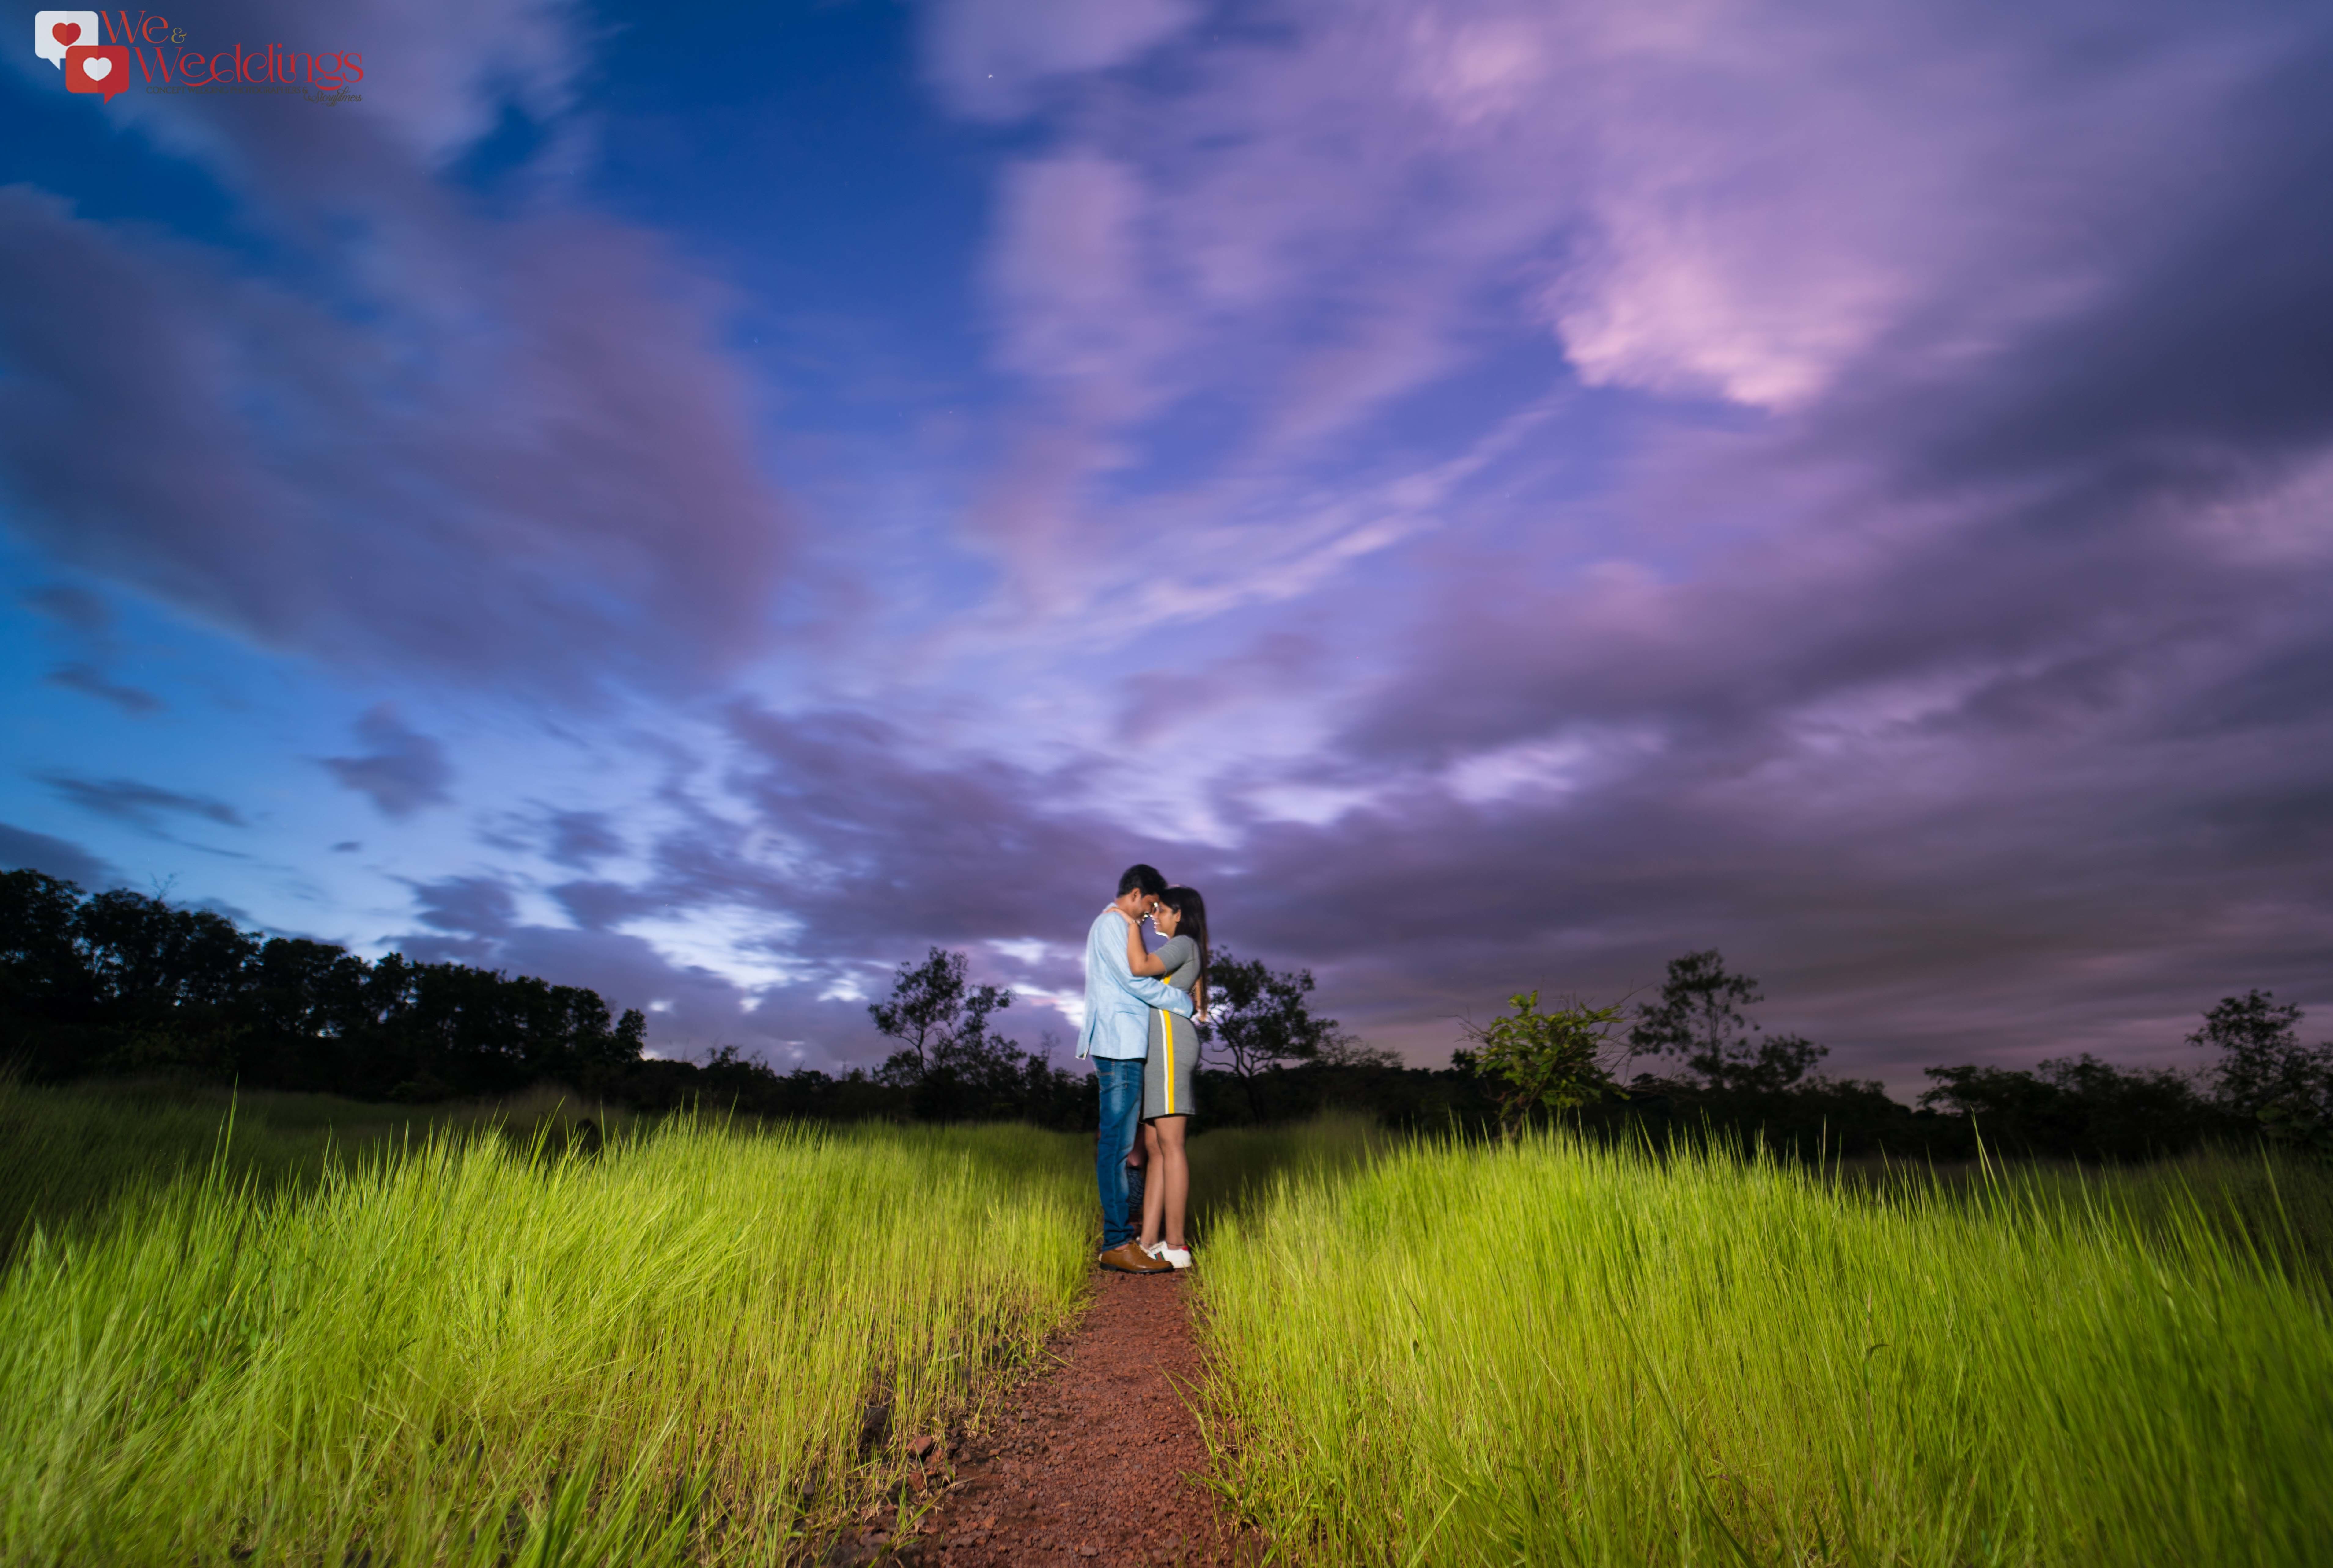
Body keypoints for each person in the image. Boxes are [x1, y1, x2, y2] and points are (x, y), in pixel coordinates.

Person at [1080, 864, 1195, 1273]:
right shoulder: (1114, 924)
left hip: (1125, 1046)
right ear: (1135, 894)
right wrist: (1183, 1002)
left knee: (1122, 1145)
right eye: (1150, 903)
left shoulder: (1117, 925)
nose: (1150, 912)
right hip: (1119, 1046)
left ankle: (1123, 1240)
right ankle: (1116, 1242)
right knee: (1116, 1146)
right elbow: (1135, 980)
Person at [1126, 884, 1207, 1269]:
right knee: (1155, 1147)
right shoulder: (1180, 946)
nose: (1154, 915)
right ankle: (1148, 1242)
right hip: (1158, 1053)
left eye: (1160, 910)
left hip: (1172, 1047)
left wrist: (1129, 921)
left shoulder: (1183, 943)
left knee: (1171, 1145)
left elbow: (1140, 967)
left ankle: (1176, 1246)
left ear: (1180, 914)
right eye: (1153, 910)